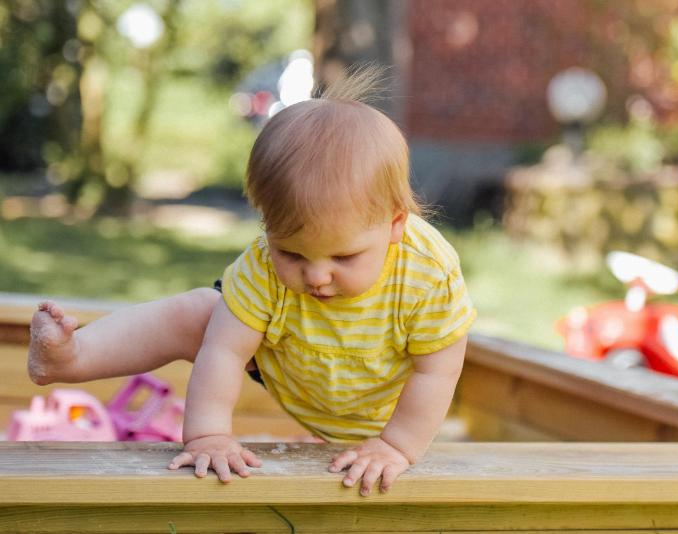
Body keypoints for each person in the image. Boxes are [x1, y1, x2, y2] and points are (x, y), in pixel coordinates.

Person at [27, 67, 477, 496]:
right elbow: (224, 351)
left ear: (395, 224)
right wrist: (208, 435)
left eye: (344, 257)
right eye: (292, 254)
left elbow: (437, 370)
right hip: (293, 362)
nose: (316, 276)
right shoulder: (262, 263)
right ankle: (72, 356)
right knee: (199, 313)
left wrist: (396, 445)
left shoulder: (426, 273)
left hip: (387, 404)